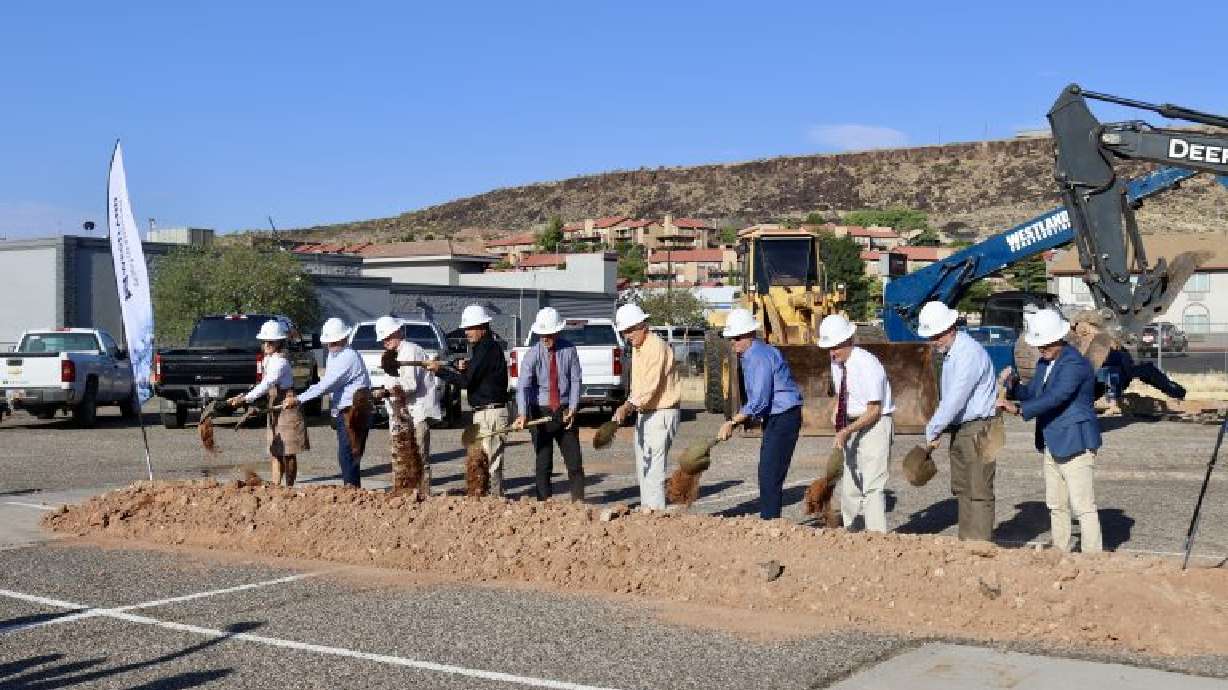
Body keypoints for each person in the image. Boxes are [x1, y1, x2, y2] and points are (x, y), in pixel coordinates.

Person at [999, 308, 1103, 553]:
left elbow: (1056, 397)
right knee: (1056, 504)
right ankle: (1061, 550)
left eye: (1045, 344)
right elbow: (1035, 394)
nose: (1041, 349)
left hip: (1076, 441)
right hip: (1051, 441)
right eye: (1039, 345)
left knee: (1083, 506)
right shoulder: (1046, 363)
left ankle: (1092, 558)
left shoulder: (1074, 364)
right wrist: (1014, 386)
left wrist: (1017, 409)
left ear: (1059, 338)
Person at [916, 301, 998, 541]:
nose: (933, 341)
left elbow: (954, 399)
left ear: (950, 328)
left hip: (982, 427)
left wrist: (934, 428)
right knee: (963, 488)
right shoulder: (952, 353)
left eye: (936, 335)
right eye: (931, 336)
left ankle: (979, 545)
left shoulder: (968, 353)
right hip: (963, 427)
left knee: (979, 489)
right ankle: (967, 543)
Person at [716, 308, 804, 520]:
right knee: (769, 471)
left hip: (783, 416)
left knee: (769, 472)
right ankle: (770, 518)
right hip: (778, 416)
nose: (733, 343)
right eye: (731, 339)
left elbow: (759, 400)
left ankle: (770, 521)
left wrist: (732, 422)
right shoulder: (755, 352)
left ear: (749, 335)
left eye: (736, 338)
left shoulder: (757, 356)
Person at [818, 314, 894, 532]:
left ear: (850, 339)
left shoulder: (868, 365)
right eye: (829, 347)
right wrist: (837, 412)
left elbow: (874, 410)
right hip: (852, 423)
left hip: (875, 425)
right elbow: (845, 392)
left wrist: (846, 431)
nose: (832, 352)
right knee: (850, 483)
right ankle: (850, 532)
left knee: (872, 485)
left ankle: (876, 536)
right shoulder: (837, 362)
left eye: (837, 346)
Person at [426, 305, 511, 495]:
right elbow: (477, 376)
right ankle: (487, 500)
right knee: (482, 460)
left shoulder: (487, 348)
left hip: (490, 413)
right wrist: (465, 367)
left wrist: (440, 371)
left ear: (482, 327)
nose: (467, 333)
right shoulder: (484, 349)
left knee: (489, 462)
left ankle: (493, 501)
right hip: (484, 412)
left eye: (470, 328)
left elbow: (465, 382)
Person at [286, 317, 372, 488]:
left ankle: (352, 489)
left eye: (333, 342)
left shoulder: (348, 357)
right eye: (328, 343)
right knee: (346, 454)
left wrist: (298, 399)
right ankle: (351, 487)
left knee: (349, 454)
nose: (329, 346)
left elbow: (327, 385)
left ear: (343, 338)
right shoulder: (335, 355)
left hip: (354, 411)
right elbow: (327, 383)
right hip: (344, 410)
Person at [612, 304, 681, 511]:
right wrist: (630, 405)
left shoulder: (655, 347)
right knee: (644, 466)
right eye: (624, 332)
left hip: (661, 412)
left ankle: (655, 513)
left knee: (654, 468)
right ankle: (647, 510)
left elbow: (650, 385)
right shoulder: (638, 347)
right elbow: (639, 386)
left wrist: (627, 406)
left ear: (642, 325)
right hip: (646, 411)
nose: (627, 336)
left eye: (630, 330)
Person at [514, 307, 584, 502]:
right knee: (543, 463)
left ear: (558, 332)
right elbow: (523, 387)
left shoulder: (569, 350)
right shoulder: (532, 355)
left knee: (575, 462)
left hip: (564, 411)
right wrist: (522, 413)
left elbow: (576, 380)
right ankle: (545, 504)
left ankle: (579, 503)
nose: (545, 338)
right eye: (542, 335)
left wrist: (572, 407)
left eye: (549, 334)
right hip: (540, 413)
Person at [226, 319, 308, 486]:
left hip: (288, 408)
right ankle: (276, 485)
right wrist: (243, 395)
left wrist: (246, 399)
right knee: (276, 450)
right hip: (274, 406)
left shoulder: (281, 362)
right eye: (265, 341)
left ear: (279, 342)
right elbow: (261, 384)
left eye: (271, 341)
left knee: (289, 452)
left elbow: (267, 383)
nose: (267, 344)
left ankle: (289, 486)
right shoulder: (268, 360)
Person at [372, 315, 440, 493]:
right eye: (383, 339)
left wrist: (386, 392)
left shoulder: (410, 351)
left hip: (416, 413)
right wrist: (383, 390)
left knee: (418, 458)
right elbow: (391, 382)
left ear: (397, 333)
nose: (384, 342)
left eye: (387, 338)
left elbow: (410, 385)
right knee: (400, 457)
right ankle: (402, 494)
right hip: (399, 413)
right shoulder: (390, 355)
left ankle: (423, 496)